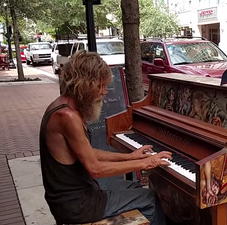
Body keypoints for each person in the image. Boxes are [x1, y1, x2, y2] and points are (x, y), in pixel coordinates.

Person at [39, 50, 171, 225]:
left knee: (133, 187)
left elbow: (88, 152)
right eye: (100, 86)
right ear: (84, 84)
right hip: (77, 205)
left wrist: (130, 157)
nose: (105, 92)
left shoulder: (64, 106)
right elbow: (96, 169)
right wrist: (147, 163)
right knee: (150, 199)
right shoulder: (67, 116)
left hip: (77, 195)